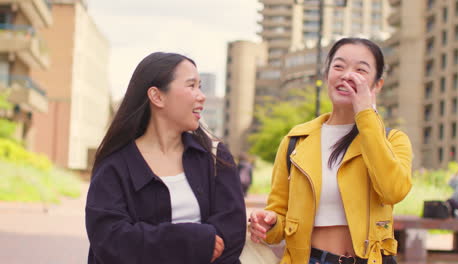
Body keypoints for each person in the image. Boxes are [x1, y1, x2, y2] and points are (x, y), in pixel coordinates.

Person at [249, 38, 413, 264]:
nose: (347, 75)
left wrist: (365, 115)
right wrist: (269, 222)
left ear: (377, 85)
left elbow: (392, 191)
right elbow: (279, 217)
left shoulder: (392, 140)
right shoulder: (296, 140)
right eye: (338, 66)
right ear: (327, 76)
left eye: (360, 70)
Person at [85, 52, 246, 264]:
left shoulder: (215, 157)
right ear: (157, 96)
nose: (201, 96)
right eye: (191, 86)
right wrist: (193, 240)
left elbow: (232, 234)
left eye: (200, 86)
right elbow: (110, 240)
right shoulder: (115, 165)